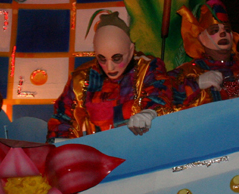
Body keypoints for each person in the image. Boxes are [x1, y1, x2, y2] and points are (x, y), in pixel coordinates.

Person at [47, 12, 173, 140]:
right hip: (98, 153)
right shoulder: (82, 78)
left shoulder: (148, 69)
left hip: (141, 147)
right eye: (102, 59)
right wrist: (62, 144)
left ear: (130, 50)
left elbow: (159, 93)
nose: (110, 67)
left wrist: (150, 112)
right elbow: (63, 117)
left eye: (117, 58)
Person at [170, 0, 239, 109]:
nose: (223, 34)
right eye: (214, 30)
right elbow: (160, 97)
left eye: (227, 30)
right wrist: (194, 85)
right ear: (202, 38)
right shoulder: (187, 72)